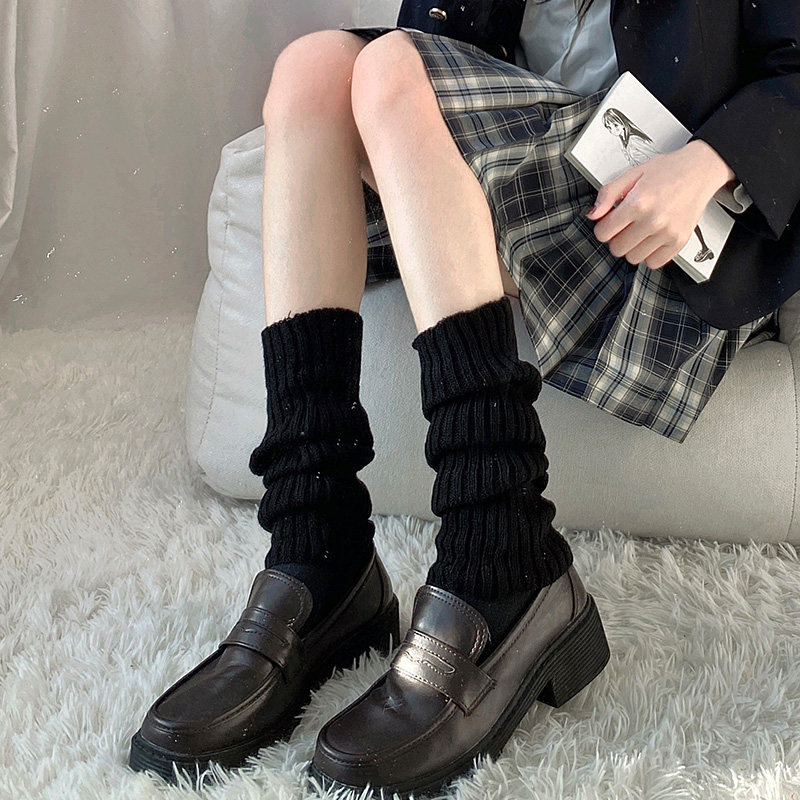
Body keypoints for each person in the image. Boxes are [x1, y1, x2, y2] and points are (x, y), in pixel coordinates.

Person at [129, 0, 793, 795]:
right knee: (311, 72)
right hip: (514, 187)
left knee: (387, 69)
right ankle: (316, 546)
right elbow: (438, 52)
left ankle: (498, 552)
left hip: (660, 228)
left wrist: (710, 163)